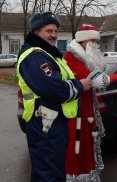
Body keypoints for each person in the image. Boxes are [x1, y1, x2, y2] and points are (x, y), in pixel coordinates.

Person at [16, 12, 92, 182]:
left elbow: (63, 80)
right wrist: (81, 85)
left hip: (52, 123)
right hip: (45, 125)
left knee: (48, 172)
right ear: (36, 32)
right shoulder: (35, 56)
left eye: (55, 31)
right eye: (48, 31)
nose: (54, 35)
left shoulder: (47, 54)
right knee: (50, 175)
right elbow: (55, 90)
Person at [64, 24, 117, 181]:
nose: (96, 45)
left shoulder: (84, 58)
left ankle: (88, 175)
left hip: (86, 108)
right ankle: (77, 176)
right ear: (84, 41)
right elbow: (96, 81)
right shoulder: (72, 57)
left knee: (87, 144)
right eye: (93, 41)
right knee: (78, 146)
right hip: (77, 111)